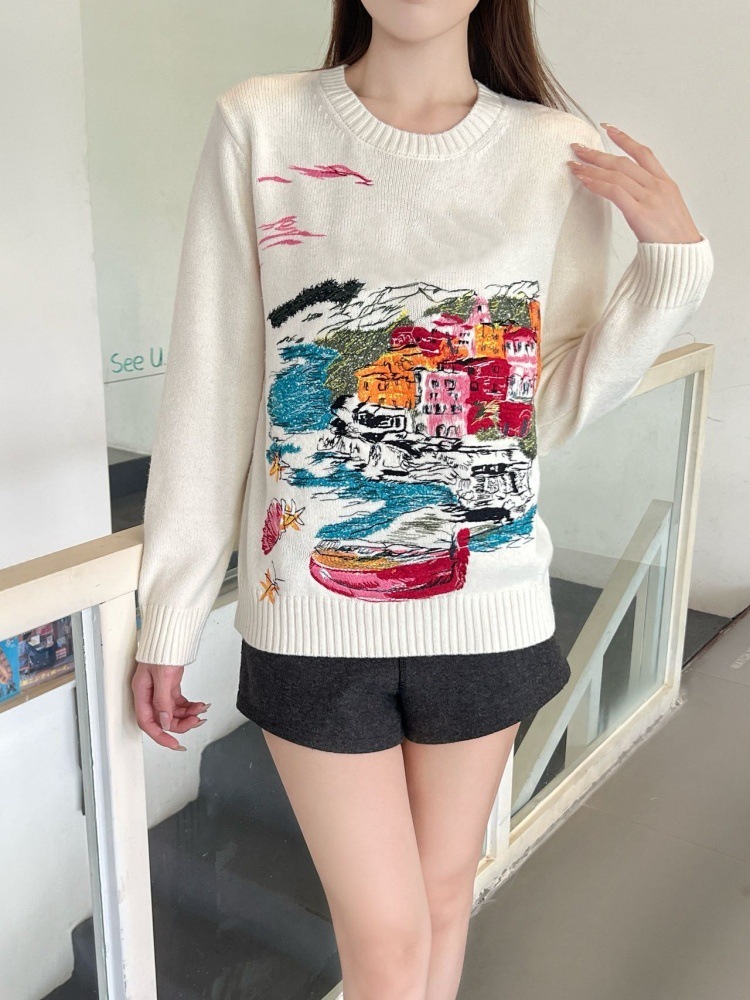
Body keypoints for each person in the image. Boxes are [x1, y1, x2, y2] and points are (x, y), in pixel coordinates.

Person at [131, 1, 714, 997]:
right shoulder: (260, 122)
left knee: (442, 901)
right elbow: (214, 382)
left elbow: (537, 408)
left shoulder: (555, 151)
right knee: (390, 940)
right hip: (312, 613)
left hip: (490, 607)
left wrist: (672, 270)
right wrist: (172, 608)